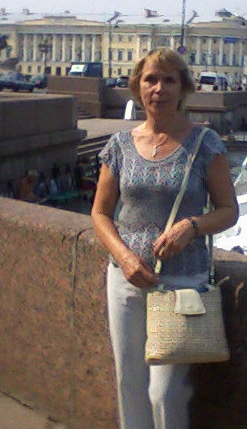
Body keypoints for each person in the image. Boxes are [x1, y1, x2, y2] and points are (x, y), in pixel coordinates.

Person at [91, 48, 238, 429]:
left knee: (165, 392)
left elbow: (228, 210)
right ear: (138, 87)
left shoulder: (205, 143)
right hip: (125, 280)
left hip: (182, 282)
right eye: (151, 79)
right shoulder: (120, 146)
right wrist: (124, 258)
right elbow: (100, 213)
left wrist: (192, 226)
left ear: (183, 88)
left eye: (169, 80)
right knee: (129, 380)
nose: (159, 88)